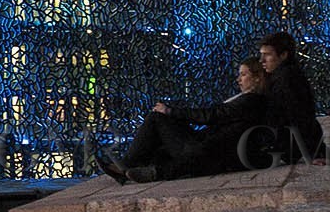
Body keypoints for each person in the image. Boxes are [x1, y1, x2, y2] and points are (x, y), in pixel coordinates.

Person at [99, 57, 268, 183]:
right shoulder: (250, 100)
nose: (239, 79)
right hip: (205, 150)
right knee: (161, 123)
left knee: (157, 117)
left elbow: (212, 115)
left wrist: (171, 111)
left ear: (257, 78)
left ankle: (126, 165)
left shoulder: (251, 101)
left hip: (202, 153)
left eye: (244, 74)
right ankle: (131, 166)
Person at [257, 31, 324, 162]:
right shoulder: (284, 76)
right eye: (261, 55)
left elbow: (299, 116)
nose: (262, 60)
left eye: (268, 55)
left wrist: (315, 152)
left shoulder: (287, 79)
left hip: (283, 148)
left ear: (283, 55)